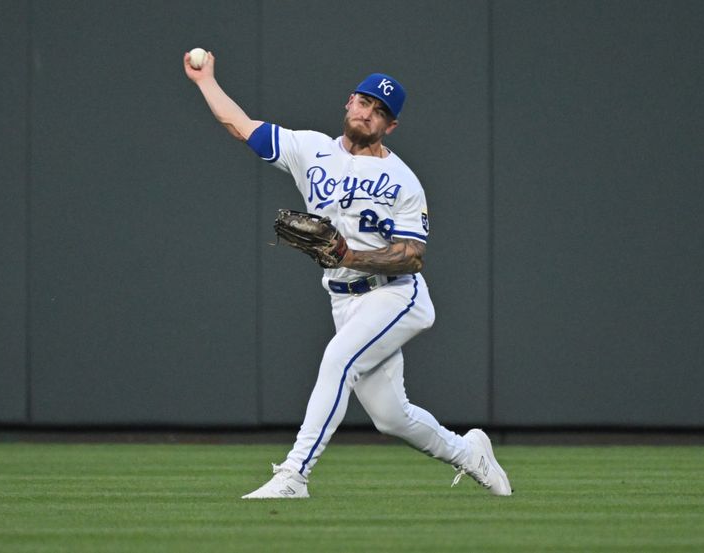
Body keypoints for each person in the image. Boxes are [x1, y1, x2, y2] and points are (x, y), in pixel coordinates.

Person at [183, 50, 512, 498]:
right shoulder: (309, 148)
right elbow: (241, 126)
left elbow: (413, 256)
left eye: (380, 112)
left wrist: (350, 256)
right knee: (390, 417)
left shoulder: (403, 181)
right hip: (344, 298)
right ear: (349, 102)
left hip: (397, 295)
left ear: (390, 126)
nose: (368, 113)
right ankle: (469, 453)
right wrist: (206, 82)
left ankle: (294, 475)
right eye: (365, 102)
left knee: (337, 360)